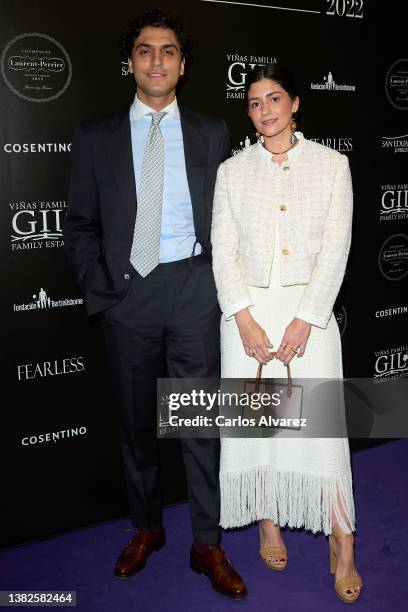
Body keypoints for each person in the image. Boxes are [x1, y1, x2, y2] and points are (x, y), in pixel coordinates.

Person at [64, 9, 247, 600]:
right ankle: (146, 528)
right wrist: (104, 293)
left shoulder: (210, 131)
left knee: (199, 425)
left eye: (168, 51)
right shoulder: (96, 135)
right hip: (128, 296)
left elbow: (229, 219)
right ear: (131, 62)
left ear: (183, 65)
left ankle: (206, 543)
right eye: (146, 51)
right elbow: (81, 224)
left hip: (193, 290)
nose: (157, 61)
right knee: (137, 427)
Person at [211, 64, 362, 604]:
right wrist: (244, 318)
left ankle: (342, 543)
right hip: (248, 314)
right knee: (259, 428)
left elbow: (336, 245)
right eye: (254, 103)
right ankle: (268, 523)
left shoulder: (331, 164)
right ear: (247, 111)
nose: (265, 110)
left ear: (295, 103)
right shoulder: (232, 172)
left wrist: (306, 317)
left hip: (309, 313)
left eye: (274, 99)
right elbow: (223, 249)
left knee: (323, 430)